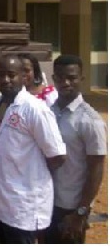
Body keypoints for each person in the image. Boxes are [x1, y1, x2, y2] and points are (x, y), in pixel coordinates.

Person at [0, 55, 66, 244]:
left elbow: (57, 155)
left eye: (11, 75)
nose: (5, 80)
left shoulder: (35, 109)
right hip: (0, 201)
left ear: (24, 77)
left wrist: (31, 173)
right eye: (0, 75)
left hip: (24, 206)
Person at [45, 55, 107, 244]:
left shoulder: (90, 120)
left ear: (81, 79)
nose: (66, 83)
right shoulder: (49, 111)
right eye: (61, 78)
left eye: (72, 78)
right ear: (54, 79)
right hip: (47, 202)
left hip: (71, 208)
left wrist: (81, 212)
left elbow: (96, 168)